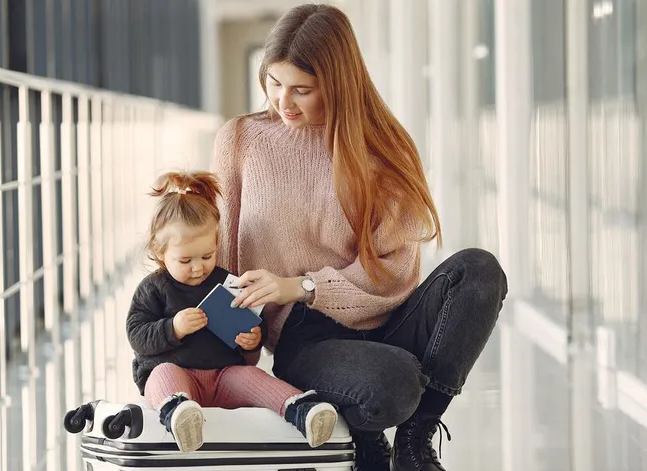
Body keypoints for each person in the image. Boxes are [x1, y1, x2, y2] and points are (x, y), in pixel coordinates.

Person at [212, 4, 508, 471]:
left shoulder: (383, 148)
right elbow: (225, 257)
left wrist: (304, 285)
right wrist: (223, 355)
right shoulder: (242, 140)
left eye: (301, 89)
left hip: (386, 317)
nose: (282, 102)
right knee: (395, 383)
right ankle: (367, 433)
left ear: (337, 82)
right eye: (273, 82)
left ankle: (415, 438)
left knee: (479, 269)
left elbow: (393, 274)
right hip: (305, 338)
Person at [113, 171, 339, 452]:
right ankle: (179, 414)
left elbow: (251, 322)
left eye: (207, 256)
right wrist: (173, 328)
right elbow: (137, 335)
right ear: (160, 252)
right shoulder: (154, 288)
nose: (198, 267)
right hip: (177, 373)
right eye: (185, 260)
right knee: (163, 374)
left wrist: (253, 338)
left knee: (251, 378)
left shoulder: (226, 282)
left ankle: (302, 409)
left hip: (224, 375)